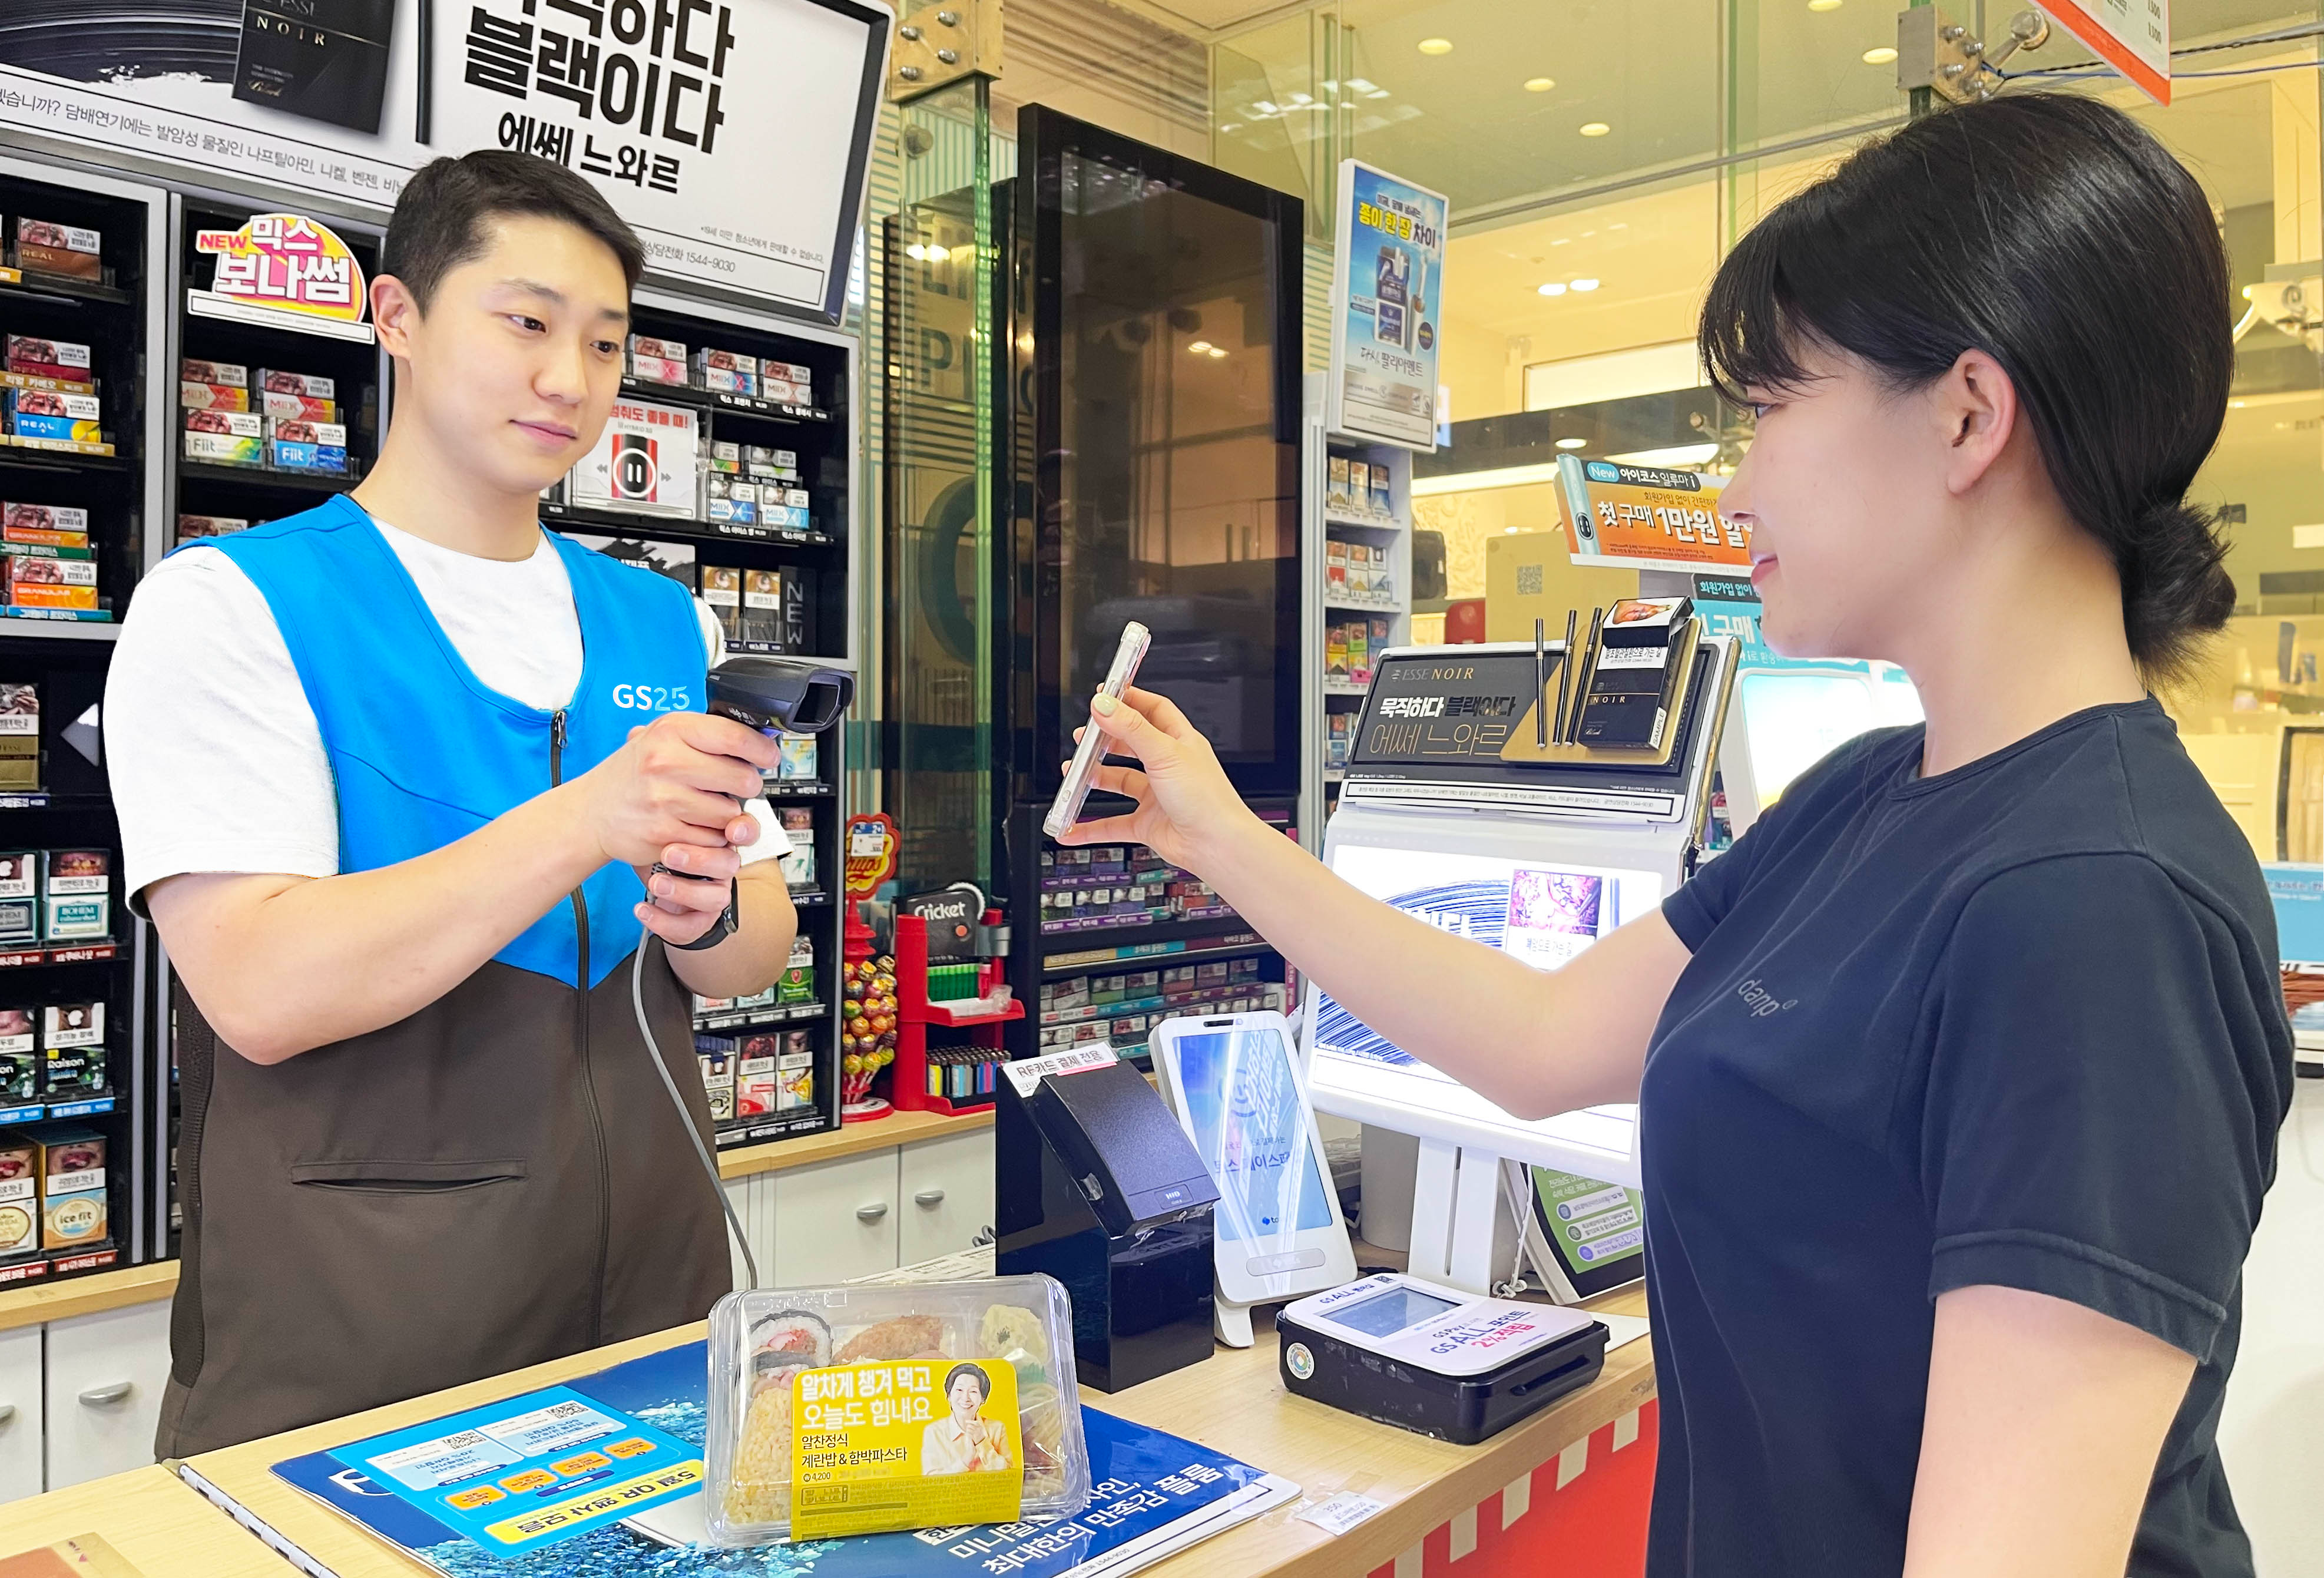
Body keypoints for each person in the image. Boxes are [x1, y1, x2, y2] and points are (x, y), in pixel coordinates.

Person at [1061, 94, 2293, 1578]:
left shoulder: (2102, 904)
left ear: (1967, 413)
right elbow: (1535, 1033)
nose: (1734, 481)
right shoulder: (1864, 793)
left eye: (1770, 407)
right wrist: (1215, 836)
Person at [105, 152, 797, 1458]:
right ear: (399, 319)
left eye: (605, 343)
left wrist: (706, 910)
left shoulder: (659, 614)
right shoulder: (230, 604)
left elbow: (753, 952)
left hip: (652, 1275)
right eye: (526, 322)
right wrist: (589, 820)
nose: (570, 379)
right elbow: (257, 988)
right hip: (366, 1308)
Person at [921, 1364, 1011, 1476]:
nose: (965, 1398)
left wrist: (982, 1443)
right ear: (949, 1396)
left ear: (983, 1399)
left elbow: (1009, 1474)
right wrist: (966, 1460)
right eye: (959, 1390)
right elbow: (931, 1481)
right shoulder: (934, 1431)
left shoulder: (997, 1428)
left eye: (973, 1392)